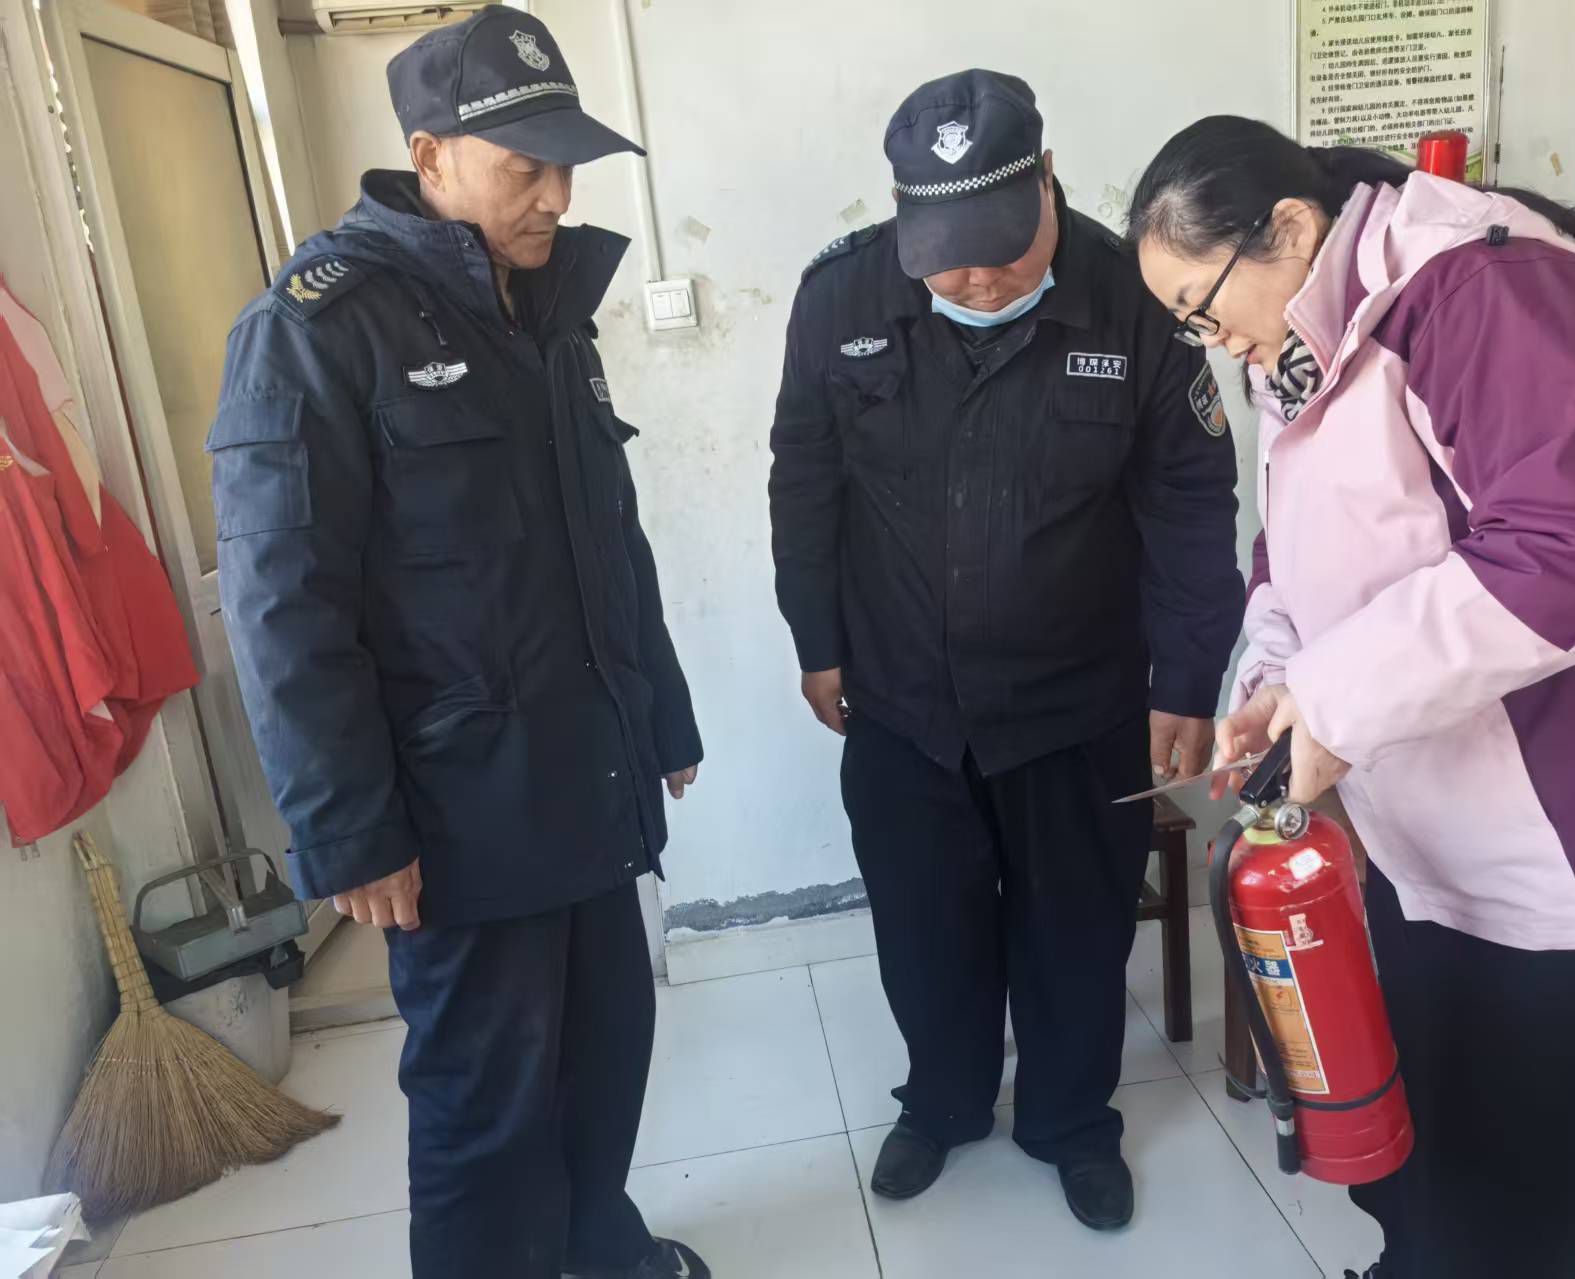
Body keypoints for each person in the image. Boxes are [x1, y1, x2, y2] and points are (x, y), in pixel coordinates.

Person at [1129, 115, 1575, 1278]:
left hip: (1573, 844)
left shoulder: (1481, 289)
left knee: (1574, 1194)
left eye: (1201, 306)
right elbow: (1291, 547)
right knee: (1451, 1152)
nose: (1208, 339)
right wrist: (1274, 682)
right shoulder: (1298, 334)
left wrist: (1334, 702)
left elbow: (1574, 539)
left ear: (1290, 227)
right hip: (1425, 833)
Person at [208, 8, 707, 1277]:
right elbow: (283, 607)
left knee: (607, 1046)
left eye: (565, 166)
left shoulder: (546, 307)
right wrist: (350, 828)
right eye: (523, 168)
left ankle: (598, 1247)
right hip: (456, 805)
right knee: (486, 1102)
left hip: (585, 763)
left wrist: (660, 710)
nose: (555, 197)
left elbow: (607, 534)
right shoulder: (316, 328)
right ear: (428, 156)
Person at [768, 70, 1243, 1230]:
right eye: (945, 258)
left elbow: (1189, 504)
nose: (975, 279)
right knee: (922, 924)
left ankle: (1070, 1120)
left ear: (1046, 184)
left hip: (1078, 699)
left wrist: (1186, 680)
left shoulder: (1133, 299)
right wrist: (816, 639)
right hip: (900, 697)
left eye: (998, 248)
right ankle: (941, 1102)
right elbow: (804, 478)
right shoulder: (839, 297)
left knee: (1074, 928)